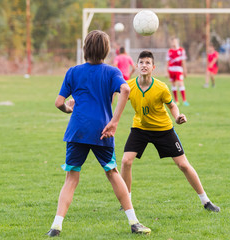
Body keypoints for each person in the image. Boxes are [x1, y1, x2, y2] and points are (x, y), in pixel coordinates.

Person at [46, 30, 151, 237]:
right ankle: (134, 222)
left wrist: (69, 108)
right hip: (103, 130)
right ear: (107, 49)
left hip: (77, 131)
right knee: (112, 172)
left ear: (85, 49)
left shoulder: (73, 72)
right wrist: (115, 121)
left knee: (71, 178)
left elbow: (59, 102)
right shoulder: (112, 72)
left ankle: (56, 226)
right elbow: (126, 91)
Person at [121, 50, 220, 213]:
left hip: (163, 129)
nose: (144, 65)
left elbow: (172, 105)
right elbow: (111, 94)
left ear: (153, 67)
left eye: (147, 63)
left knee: (183, 165)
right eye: (141, 62)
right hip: (140, 128)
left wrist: (177, 117)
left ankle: (206, 201)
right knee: (126, 161)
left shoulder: (161, 87)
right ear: (137, 66)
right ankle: (126, 200)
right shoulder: (129, 86)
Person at [166, 37, 189, 106]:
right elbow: (167, 62)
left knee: (180, 84)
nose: (174, 43)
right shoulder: (169, 51)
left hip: (179, 69)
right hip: (171, 69)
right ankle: (176, 100)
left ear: (177, 42)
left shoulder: (181, 50)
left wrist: (185, 70)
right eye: (172, 42)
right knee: (173, 84)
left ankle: (184, 100)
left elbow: (183, 61)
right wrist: (166, 71)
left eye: (175, 41)